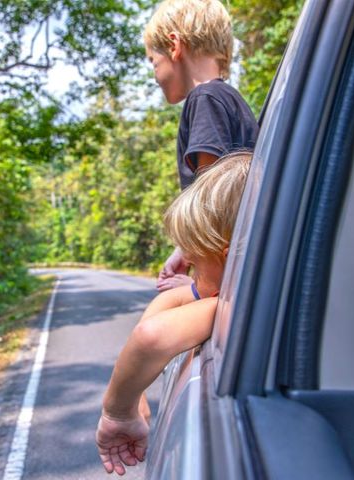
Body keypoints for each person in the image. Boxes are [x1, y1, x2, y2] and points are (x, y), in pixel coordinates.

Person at [96, 152, 252, 476]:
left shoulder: (232, 307)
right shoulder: (237, 294)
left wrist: (118, 412)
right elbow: (174, 299)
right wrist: (135, 387)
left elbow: (151, 337)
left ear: (231, 260)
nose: (189, 270)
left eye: (195, 262)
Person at [144, 0, 259, 292]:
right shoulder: (228, 99)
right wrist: (182, 251)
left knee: (150, 332)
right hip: (231, 269)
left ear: (174, 46)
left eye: (152, 61)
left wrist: (195, 286)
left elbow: (211, 208)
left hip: (219, 277)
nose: (154, 73)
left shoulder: (205, 99)